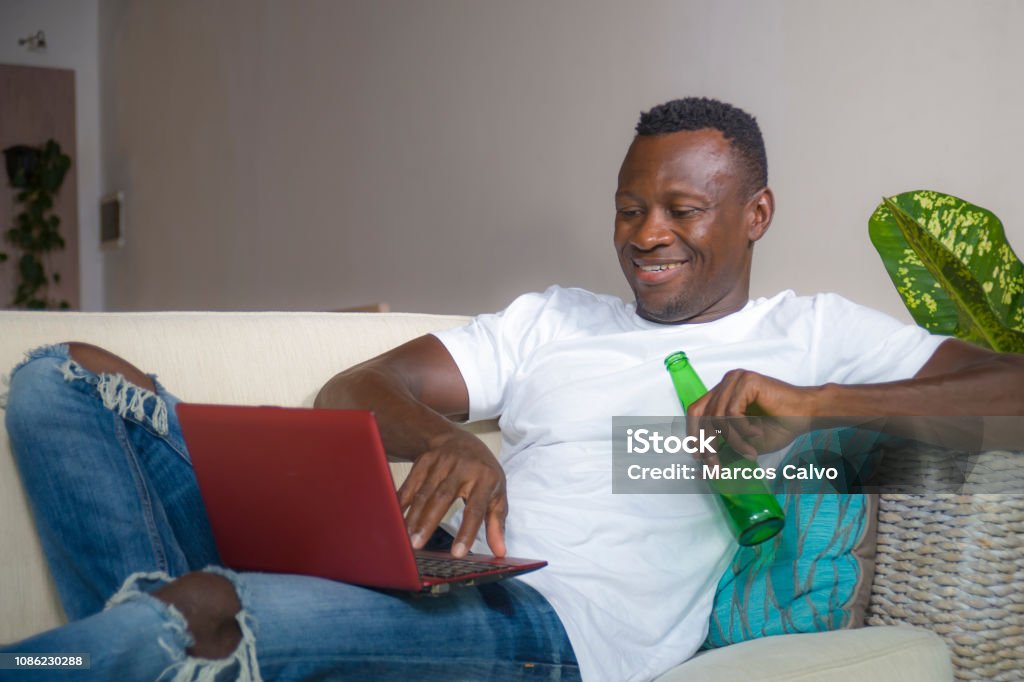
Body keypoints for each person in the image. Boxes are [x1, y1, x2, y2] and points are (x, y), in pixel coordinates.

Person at [2, 97, 1022, 682]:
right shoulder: (552, 319)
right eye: (629, 208)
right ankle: (173, 631)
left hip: (552, 629)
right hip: (425, 568)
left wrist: (819, 405)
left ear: (755, 213)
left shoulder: (809, 332)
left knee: (203, 611)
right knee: (61, 378)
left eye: (680, 208)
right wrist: (453, 441)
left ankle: (179, 626)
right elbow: (352, 385)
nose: (646, 233)